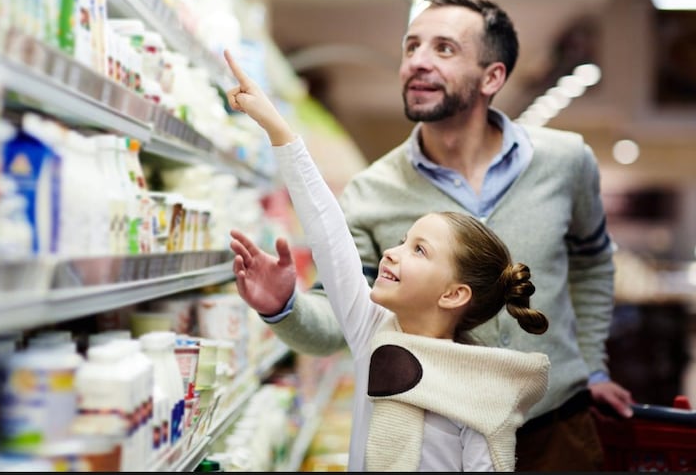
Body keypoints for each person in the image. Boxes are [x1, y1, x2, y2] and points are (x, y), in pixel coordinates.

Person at [228, 0, 635, 471]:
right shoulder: (372, 193)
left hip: (560, 425)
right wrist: (285, 307)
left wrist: (592, 365)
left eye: (443, 48)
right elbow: (336, 282)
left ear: (492, 76)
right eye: (410, 46)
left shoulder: (567, 162)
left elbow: (592, 263)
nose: (417, 61)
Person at [224, 47, 551, 471]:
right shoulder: (373, 333)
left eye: (419, 250)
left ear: (453, 294)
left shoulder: (480, 392)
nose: (392, 253)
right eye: (403, 240)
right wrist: (277, 128)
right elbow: (329, 232)